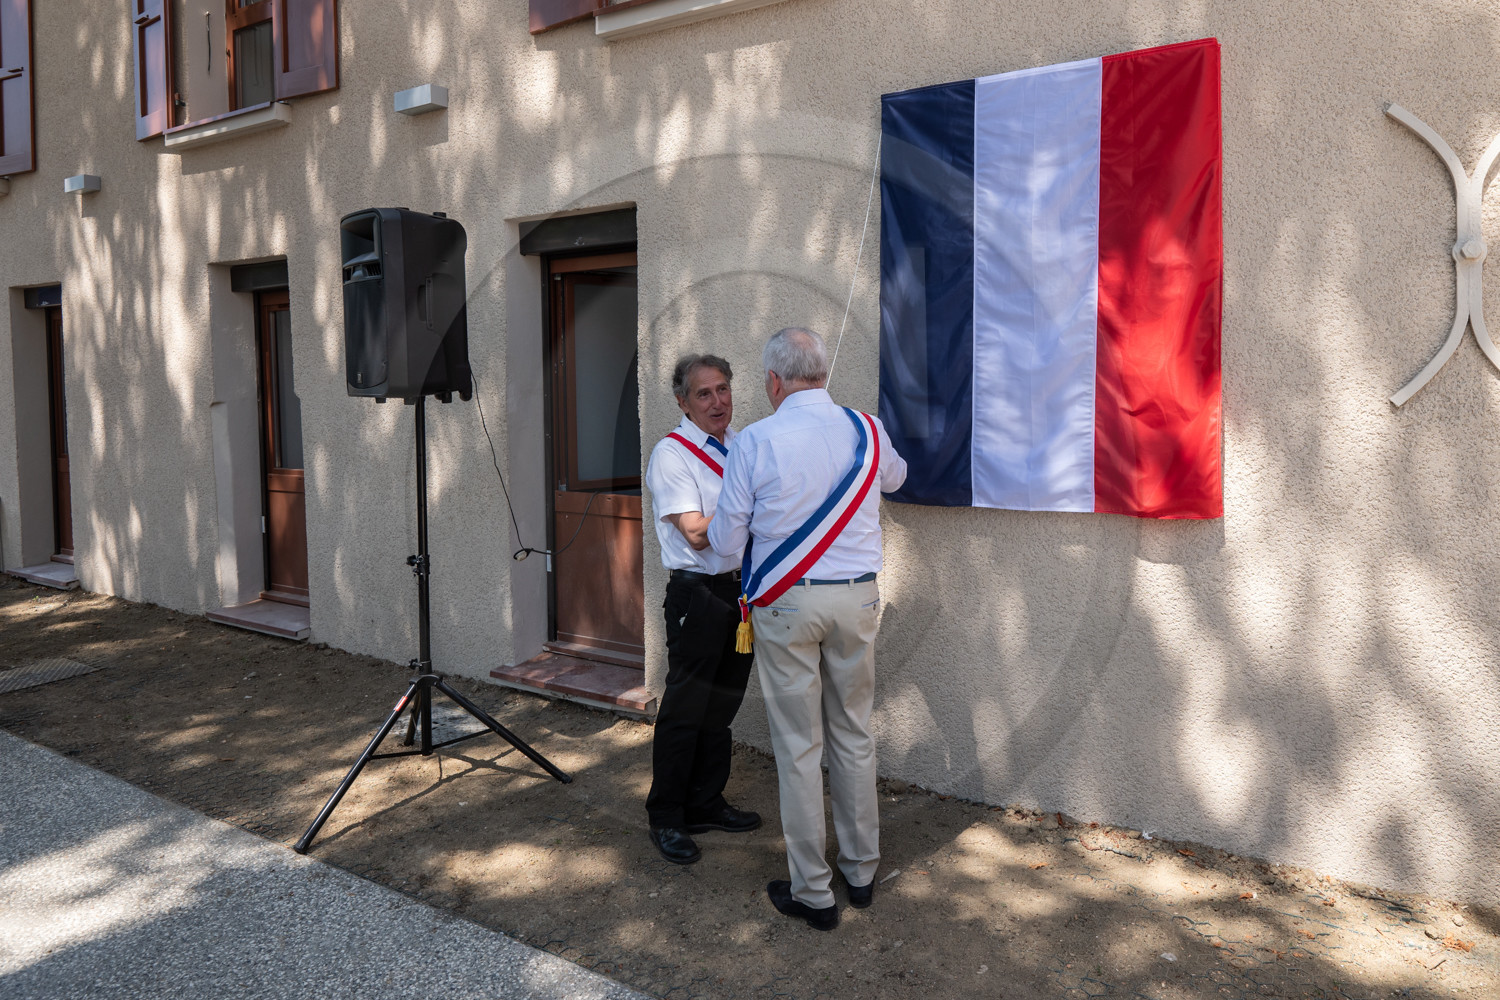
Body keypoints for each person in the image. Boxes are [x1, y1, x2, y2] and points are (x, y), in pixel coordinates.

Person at [707, 327, 907, 931]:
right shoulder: (868, 429)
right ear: (822, 373)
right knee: (854, 734)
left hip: (786, 606)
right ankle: (863, 871)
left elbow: (723, 544)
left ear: (773, 380)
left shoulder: (756, 441)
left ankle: (814, 892)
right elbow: (895, 479)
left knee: (799, 748)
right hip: (857, 601)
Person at [642, 354, 761, 865]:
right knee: (686, 711)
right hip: (699, 595)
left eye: (724, 389)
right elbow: (696, 531)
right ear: (683, 402)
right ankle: (667, 815)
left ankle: (706, 802)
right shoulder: (672, 455)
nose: (719, 401)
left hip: (740, 595)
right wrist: (757, 508)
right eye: (704, 394)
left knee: (722, 707)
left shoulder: (740, 444)